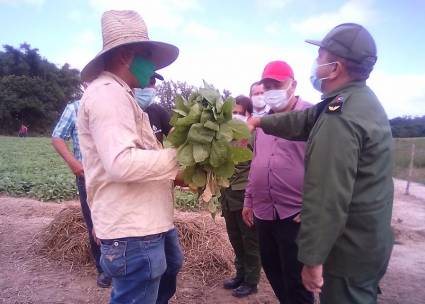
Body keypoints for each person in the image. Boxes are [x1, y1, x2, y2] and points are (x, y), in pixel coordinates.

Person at [248, 23, 394, 304]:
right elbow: (303, 119)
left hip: (348, 250)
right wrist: (260, 121)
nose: (316, 63)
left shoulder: (341, 119)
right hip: (367, 241)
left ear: (335, 67)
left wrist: (312, 260)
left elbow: (327, 195)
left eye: (321, 57)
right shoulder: (354, 101)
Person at [77, 10, 183, 304]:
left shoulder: (123, 95)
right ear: (125, 55)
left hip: (148, 221)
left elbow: (141, 157)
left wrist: (175, 173)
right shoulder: (107, 95)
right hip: (133, 230)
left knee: (169, 270)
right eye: (147, 55)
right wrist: (180, 160)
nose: (152, 65)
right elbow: (121, 163)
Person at [242, 60, 314, 304]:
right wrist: (248, 200)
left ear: (292, 85)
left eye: (277, 84)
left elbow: (326, 166)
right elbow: (256, 163)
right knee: (273, 270)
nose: (271, 90)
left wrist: (314, 204)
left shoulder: (310, 117)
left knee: (298, 279)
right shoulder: (260, 123)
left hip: (295, 213)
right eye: (267, 85)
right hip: (264, 211)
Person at [51, 98, 111, 288]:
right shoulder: (74, 108)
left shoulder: (112, 104)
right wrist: (73, 163)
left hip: (114, 175)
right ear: (85, 84)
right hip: (88, 175)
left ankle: (121, 264)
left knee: (117, 217)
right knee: (94, 221)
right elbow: (57, 136)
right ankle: (104, 270)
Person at [221, 95, 261, 298]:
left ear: (248, 115)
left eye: (240, 113)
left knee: (249, 240)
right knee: (235, 238)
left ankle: (251, 281)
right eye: (233, 113)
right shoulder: (225, 136)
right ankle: (240, 274)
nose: (235, 116)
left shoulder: (252, 137)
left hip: (245, 196)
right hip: (228, 196)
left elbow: (257, 168)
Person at [134, 73, 171, 143]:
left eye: (153, 82)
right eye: (145, 82)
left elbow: (176, 134)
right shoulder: (122, 111)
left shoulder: (157, 110)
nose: (152, 88)